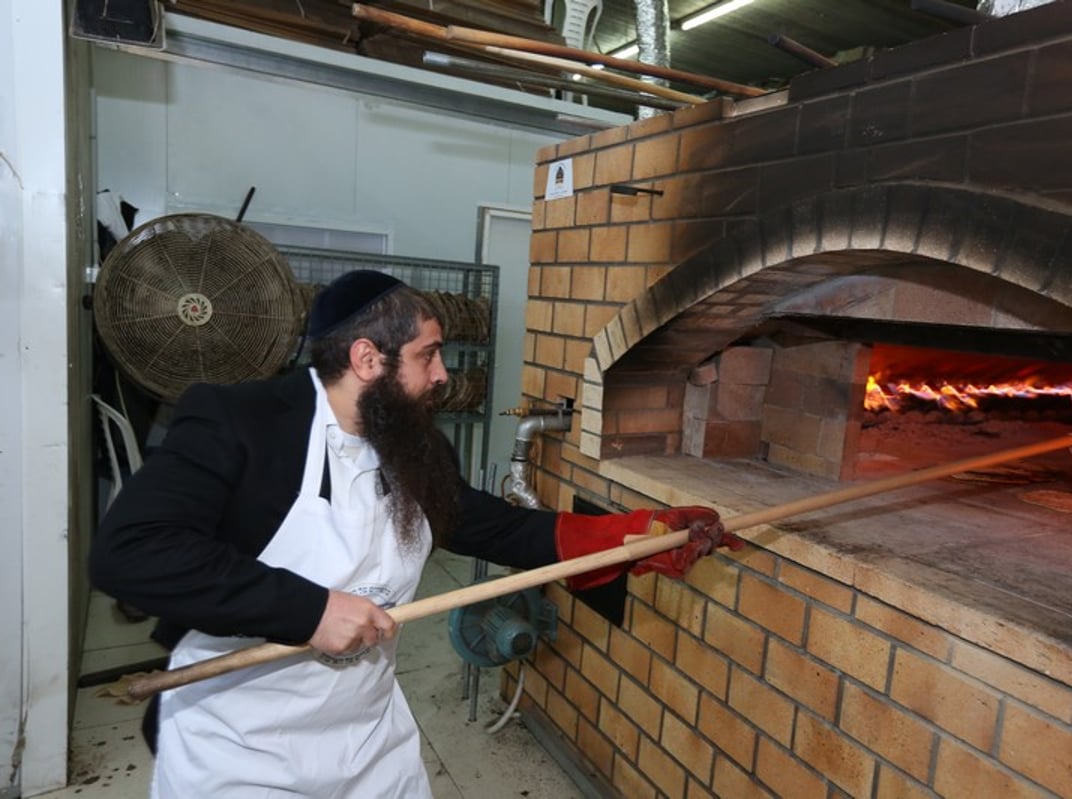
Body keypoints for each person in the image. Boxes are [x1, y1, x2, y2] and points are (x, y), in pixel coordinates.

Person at [90, 269, 741, 798]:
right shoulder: (242, 422)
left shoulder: (413, 445)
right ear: (366, 357)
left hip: (365, 731)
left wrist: (635, 536)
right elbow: (132, 549)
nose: (443, 375)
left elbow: (492, 524)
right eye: (429, 355)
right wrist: (309, 610)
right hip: (242, 738)